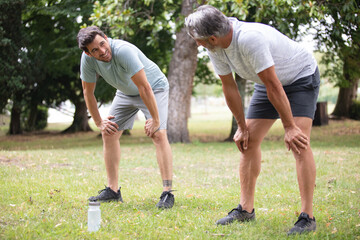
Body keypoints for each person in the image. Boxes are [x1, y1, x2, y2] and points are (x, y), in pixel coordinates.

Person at [185, 5, 319, 235]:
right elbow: (229, 86)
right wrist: (241, 126)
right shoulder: (215, 48)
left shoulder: (249, 39)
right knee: (247, 142)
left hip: (299, 78)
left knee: (299, 141)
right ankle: (246, 210)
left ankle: (307, 216)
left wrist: (289, 127)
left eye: (199, 40)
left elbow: (274, 85)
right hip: (265, 82)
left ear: (213, 37)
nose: (198, 44)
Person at [77, 26, 174, 209]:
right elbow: (87, 92)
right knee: (109, 132)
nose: (103, 52)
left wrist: (155, 119)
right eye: (95, 50)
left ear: (106, 37)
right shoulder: (87, 61)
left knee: (159, 134)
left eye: (103, 44)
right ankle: (113, 191)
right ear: (88, 54)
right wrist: (99, 122)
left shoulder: (123, 51)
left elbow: (144, 87)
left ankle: (167, 192)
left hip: (154, 88)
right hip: (125, 93)